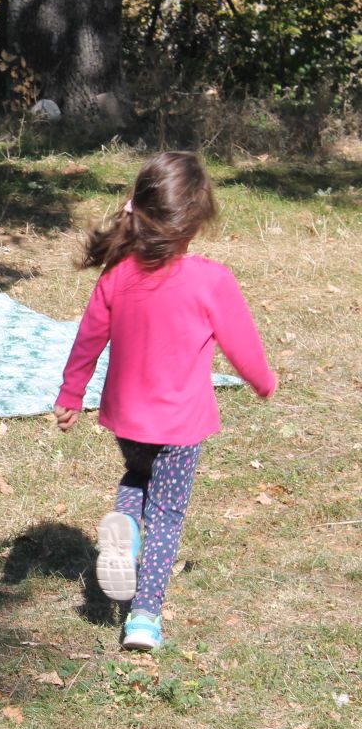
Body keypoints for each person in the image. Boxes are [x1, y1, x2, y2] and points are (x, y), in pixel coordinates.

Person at [53, 151, 277, 651]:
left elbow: (88, 339)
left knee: (138, 475)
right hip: (181, 425)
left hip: (127, 420)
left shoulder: (116, 275)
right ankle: (144, 617)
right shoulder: (212, 280)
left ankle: (125, 526)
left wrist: (71, 393)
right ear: (195, 220)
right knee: (167, 515)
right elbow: (242, 347)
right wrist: (265, 382)